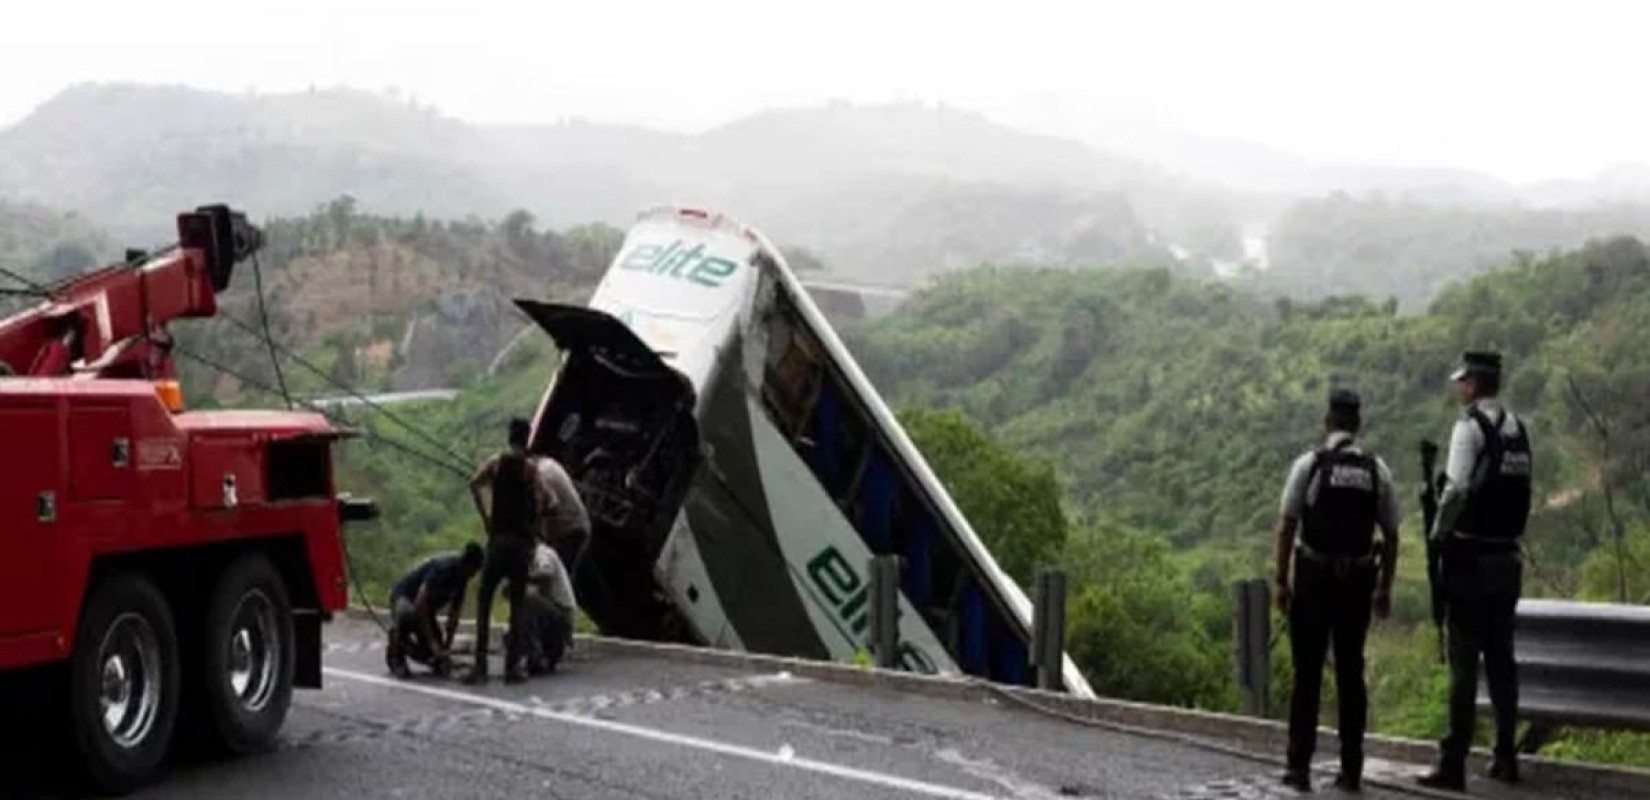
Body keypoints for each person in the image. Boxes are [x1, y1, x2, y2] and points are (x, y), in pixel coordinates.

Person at [1273, 389, 1399, 793]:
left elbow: (1287, 526)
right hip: (1357, 582)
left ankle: (1299, 768)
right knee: (1350, 673)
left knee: (1307, 675)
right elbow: (1391, 534)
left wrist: (1281, 581)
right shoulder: (1377, 470)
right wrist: (1384, 588)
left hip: (1313, 578)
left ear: (1326, 423)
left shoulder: (1309, 464)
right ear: (1357, 425)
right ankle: (1351, 770)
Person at [1419, 352, 1532, 791]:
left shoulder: (1468, 429)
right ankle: (1506, 755)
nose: (1458, 388)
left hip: (1470, 561)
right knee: (1502, 660)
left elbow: (1456, 490)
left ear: (1472, 384)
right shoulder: (1516, 428)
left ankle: (1453, 763)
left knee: (1464, 663)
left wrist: (1437, 535)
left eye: (1462, 381)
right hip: (1508, 560)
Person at [465, 417, 546, 685]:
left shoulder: (496, 463)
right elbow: (545, 499)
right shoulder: (531, 470)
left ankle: (480, 667)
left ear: (510, 437)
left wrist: (486, 519)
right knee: (517, 606)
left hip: (497, 542)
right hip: (521, 545)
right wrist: (533, 523)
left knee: (484, 600)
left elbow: (473, 485)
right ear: (527, 438)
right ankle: (512, 668)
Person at [385, 543, 484, 679]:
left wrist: (445, 648)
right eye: (473, 571)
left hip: (426, 609)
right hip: (406, 598)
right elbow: (420, 604)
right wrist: (432, 642)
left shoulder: (462, 578)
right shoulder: (443, 569)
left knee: (432, 653)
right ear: (467, 564)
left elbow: (454, 614)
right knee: (408, 616)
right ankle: (396, 651)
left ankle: (410, 646)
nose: (474, 575)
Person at [516, 542, 579, 675]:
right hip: (552, 612)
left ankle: (536, 654)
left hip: (561, 612)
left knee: (527, 597)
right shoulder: (530, 559)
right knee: (522, 605)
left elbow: (546, 574)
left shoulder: (543, 553)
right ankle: (534, 653)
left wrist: (522, 579)